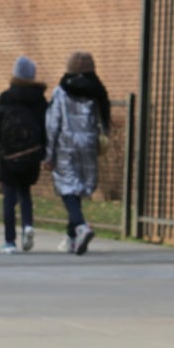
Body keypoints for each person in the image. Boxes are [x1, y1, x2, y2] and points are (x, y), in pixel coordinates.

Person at [45, 51, 109, 256]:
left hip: (66, 144)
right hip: (88, 143)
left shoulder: (61, 91)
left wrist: (49, 154)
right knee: (78, 186)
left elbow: (53, 123)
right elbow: (104, 121)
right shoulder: (97, 92)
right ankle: (72, 238)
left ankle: (81, 226)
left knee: (67, 187)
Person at [0, 55, 47, 254]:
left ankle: (10, 241)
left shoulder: (6, 97)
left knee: (9, 197)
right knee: (25, 192)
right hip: (32, 154)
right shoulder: (39, 99)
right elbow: (45, 126)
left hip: (9, 155)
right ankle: (28, 225)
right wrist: (43, 150)